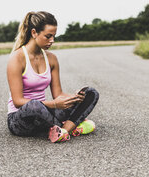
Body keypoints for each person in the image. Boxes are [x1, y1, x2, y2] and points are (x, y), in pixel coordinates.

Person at [7, 11, 99, 143]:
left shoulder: (51, 59)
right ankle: (71, 125)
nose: (52, 41)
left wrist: (74, 98)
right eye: (48, 36)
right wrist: (53, 104)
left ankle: (63, 130)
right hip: (20, 119)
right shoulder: (17, 59)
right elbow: (18, 101)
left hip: (46, 113)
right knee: (34, 105)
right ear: (34, 33)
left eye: (54, 36)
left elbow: (58, 94)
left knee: (90, 93)